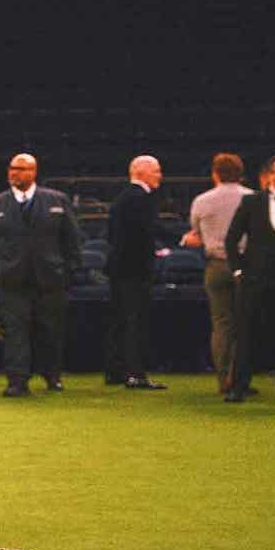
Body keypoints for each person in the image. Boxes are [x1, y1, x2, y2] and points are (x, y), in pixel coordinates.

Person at [0, 153, 83, 396]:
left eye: (21, 169)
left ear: (33, 172)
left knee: (51, 330)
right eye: (12, 168)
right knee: (15, 332)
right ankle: (17, 380)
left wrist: (67, 271)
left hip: (50, 279)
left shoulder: (57, 200)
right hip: (11, 282)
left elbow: (72, 240)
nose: (15, 173)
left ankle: (52, 376)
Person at [181, 153, 253, 395]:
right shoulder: (252, 199)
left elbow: (196, 233)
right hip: (246, 265)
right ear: (240, 173)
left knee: (222, 324)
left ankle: (224, 379)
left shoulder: (202, 201)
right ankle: (241, 378)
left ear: (215, 174)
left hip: (216, 265)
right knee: (246, 323)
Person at [104, 154, 167, 389]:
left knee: (120, 321)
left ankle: (116, 371)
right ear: (141, 171)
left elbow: (112, 234)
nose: (160, 175)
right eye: (156, 170)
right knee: (135, 322)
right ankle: (135, 373)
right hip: (135, 271)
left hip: (120, 269)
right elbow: (146, 233)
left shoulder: (123, 197)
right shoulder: (141, 198)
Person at [223, 154, 275, 403]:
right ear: (269, 175)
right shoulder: (251, 202)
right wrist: (238, 271)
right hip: (255, 280)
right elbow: (231, 240)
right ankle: (238, 387)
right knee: (246, 334)